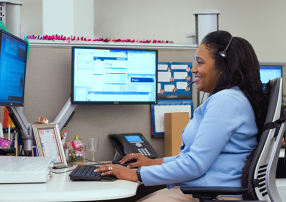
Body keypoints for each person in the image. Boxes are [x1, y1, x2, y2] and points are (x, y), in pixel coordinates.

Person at [95, 30, 269, 201]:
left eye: (200, 63)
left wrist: (135, 174)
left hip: (214, 195)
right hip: (203, 191)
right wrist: (152, 162)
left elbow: (194, 165)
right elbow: (191, 157)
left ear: (222, 67)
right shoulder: (229, 98)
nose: (193, 69)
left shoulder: (226, 101)